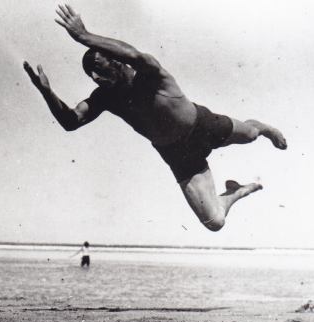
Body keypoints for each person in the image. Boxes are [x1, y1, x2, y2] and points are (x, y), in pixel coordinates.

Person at [23, 4, 287, 231]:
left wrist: (84, 36)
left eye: (99, 70)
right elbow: (71, 121)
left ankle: (264, 127)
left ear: (116, 62)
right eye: (90, 76)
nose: (95, 79)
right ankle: (237, 192)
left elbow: (135, 54)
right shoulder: (105, 96)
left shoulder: (148, 73)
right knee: (215, 222)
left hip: (202, 125)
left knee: (252, 135)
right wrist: (46, 92)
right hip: (177, 154)